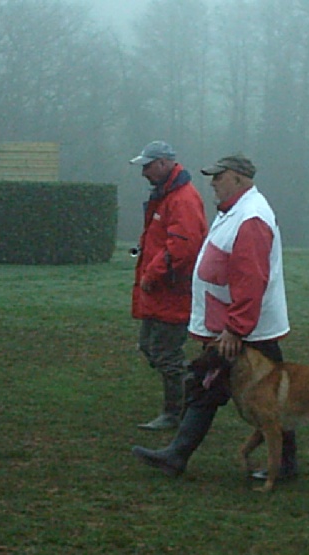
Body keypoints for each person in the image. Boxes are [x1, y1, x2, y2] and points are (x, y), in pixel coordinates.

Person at [132, 153, 298, 482]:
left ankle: (178, 456)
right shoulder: (237, 212)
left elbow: (251, 278)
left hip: (246, 331)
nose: (212, 183)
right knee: (210, 389)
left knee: (243, 394)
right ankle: (177, 456)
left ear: (238, 178)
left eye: (218, 177)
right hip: (239, 327)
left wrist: (236, 329)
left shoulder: (250, 217)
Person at [128, 141, 209, 430]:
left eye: (147, 166)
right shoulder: (166, 196)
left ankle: (178, 410)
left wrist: (152, 273)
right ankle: (193, 394)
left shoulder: (182, 199)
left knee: (165, 353)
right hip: (160, 291)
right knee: (150, 347)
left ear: (164, 163)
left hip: (172, 291)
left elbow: (183, 248)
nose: (144, 173)